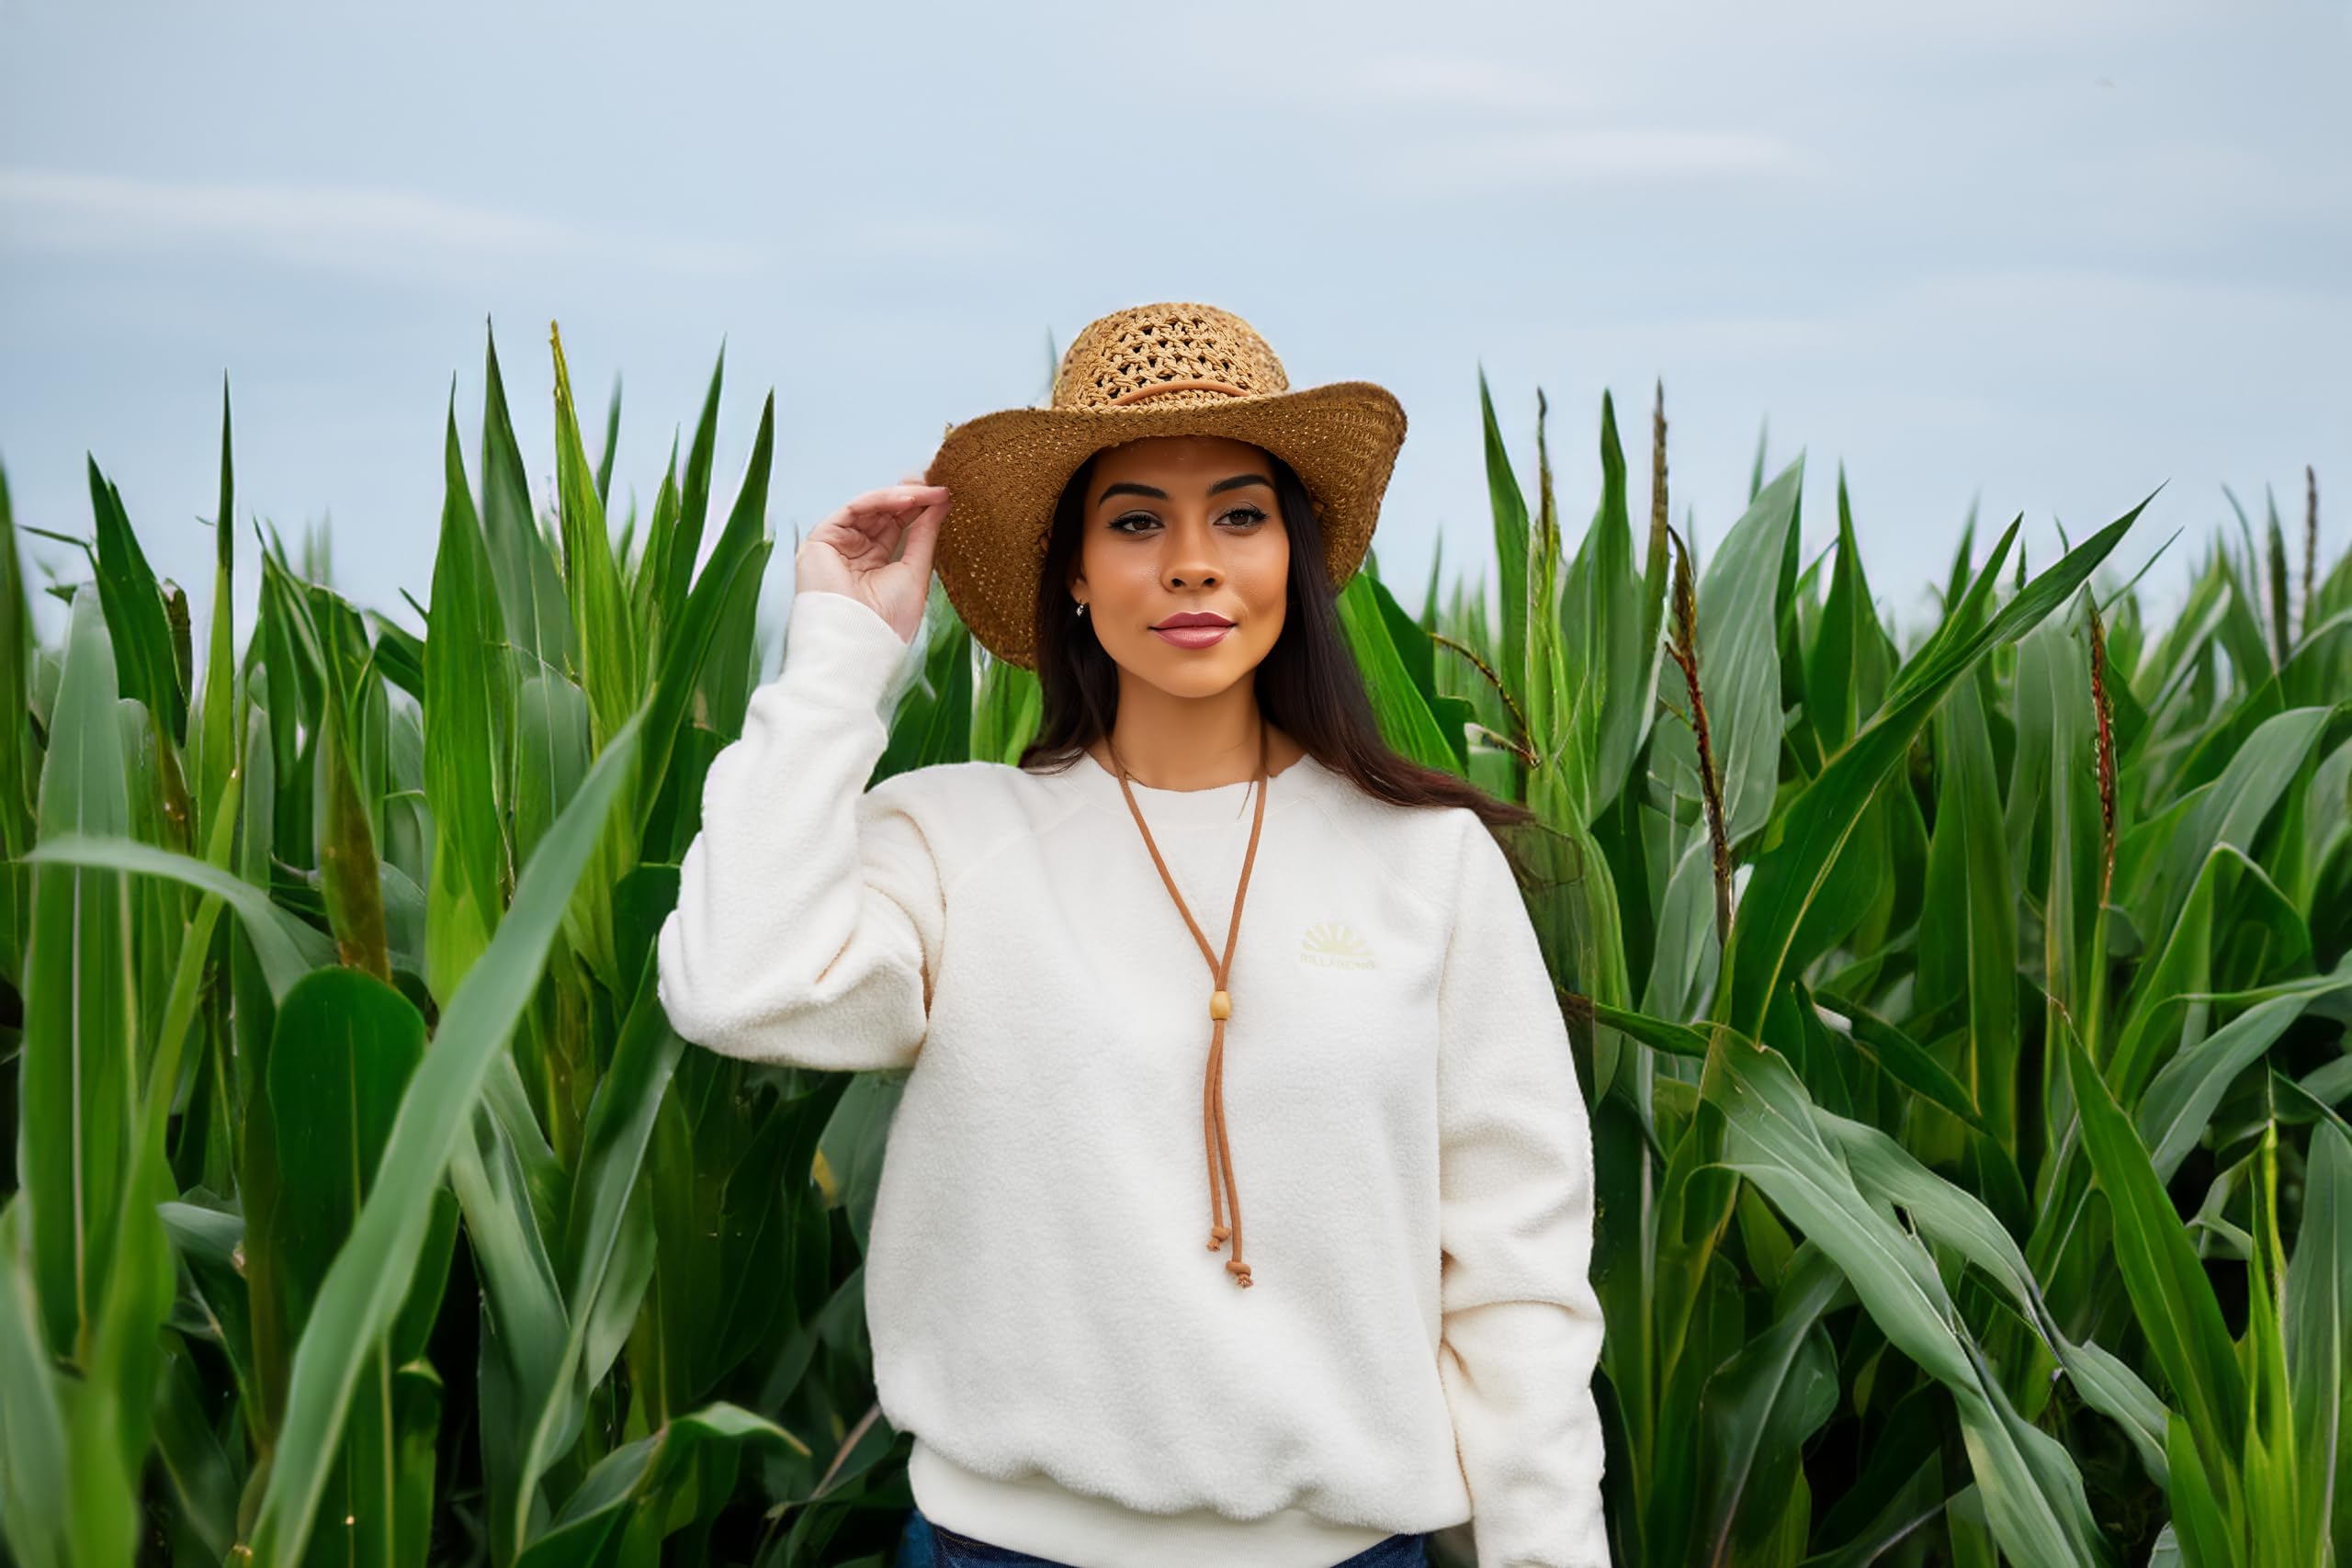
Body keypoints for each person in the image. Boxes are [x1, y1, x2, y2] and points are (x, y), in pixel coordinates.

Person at [656, 302, 1609, 1568]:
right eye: (1136, 521)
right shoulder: (953, 841)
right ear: (1072, 566)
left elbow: (1515, 1282)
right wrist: (839, 653)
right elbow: (737, 984)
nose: (1192, 561)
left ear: (1297, 553)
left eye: (1240, 514)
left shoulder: (1428, 867)